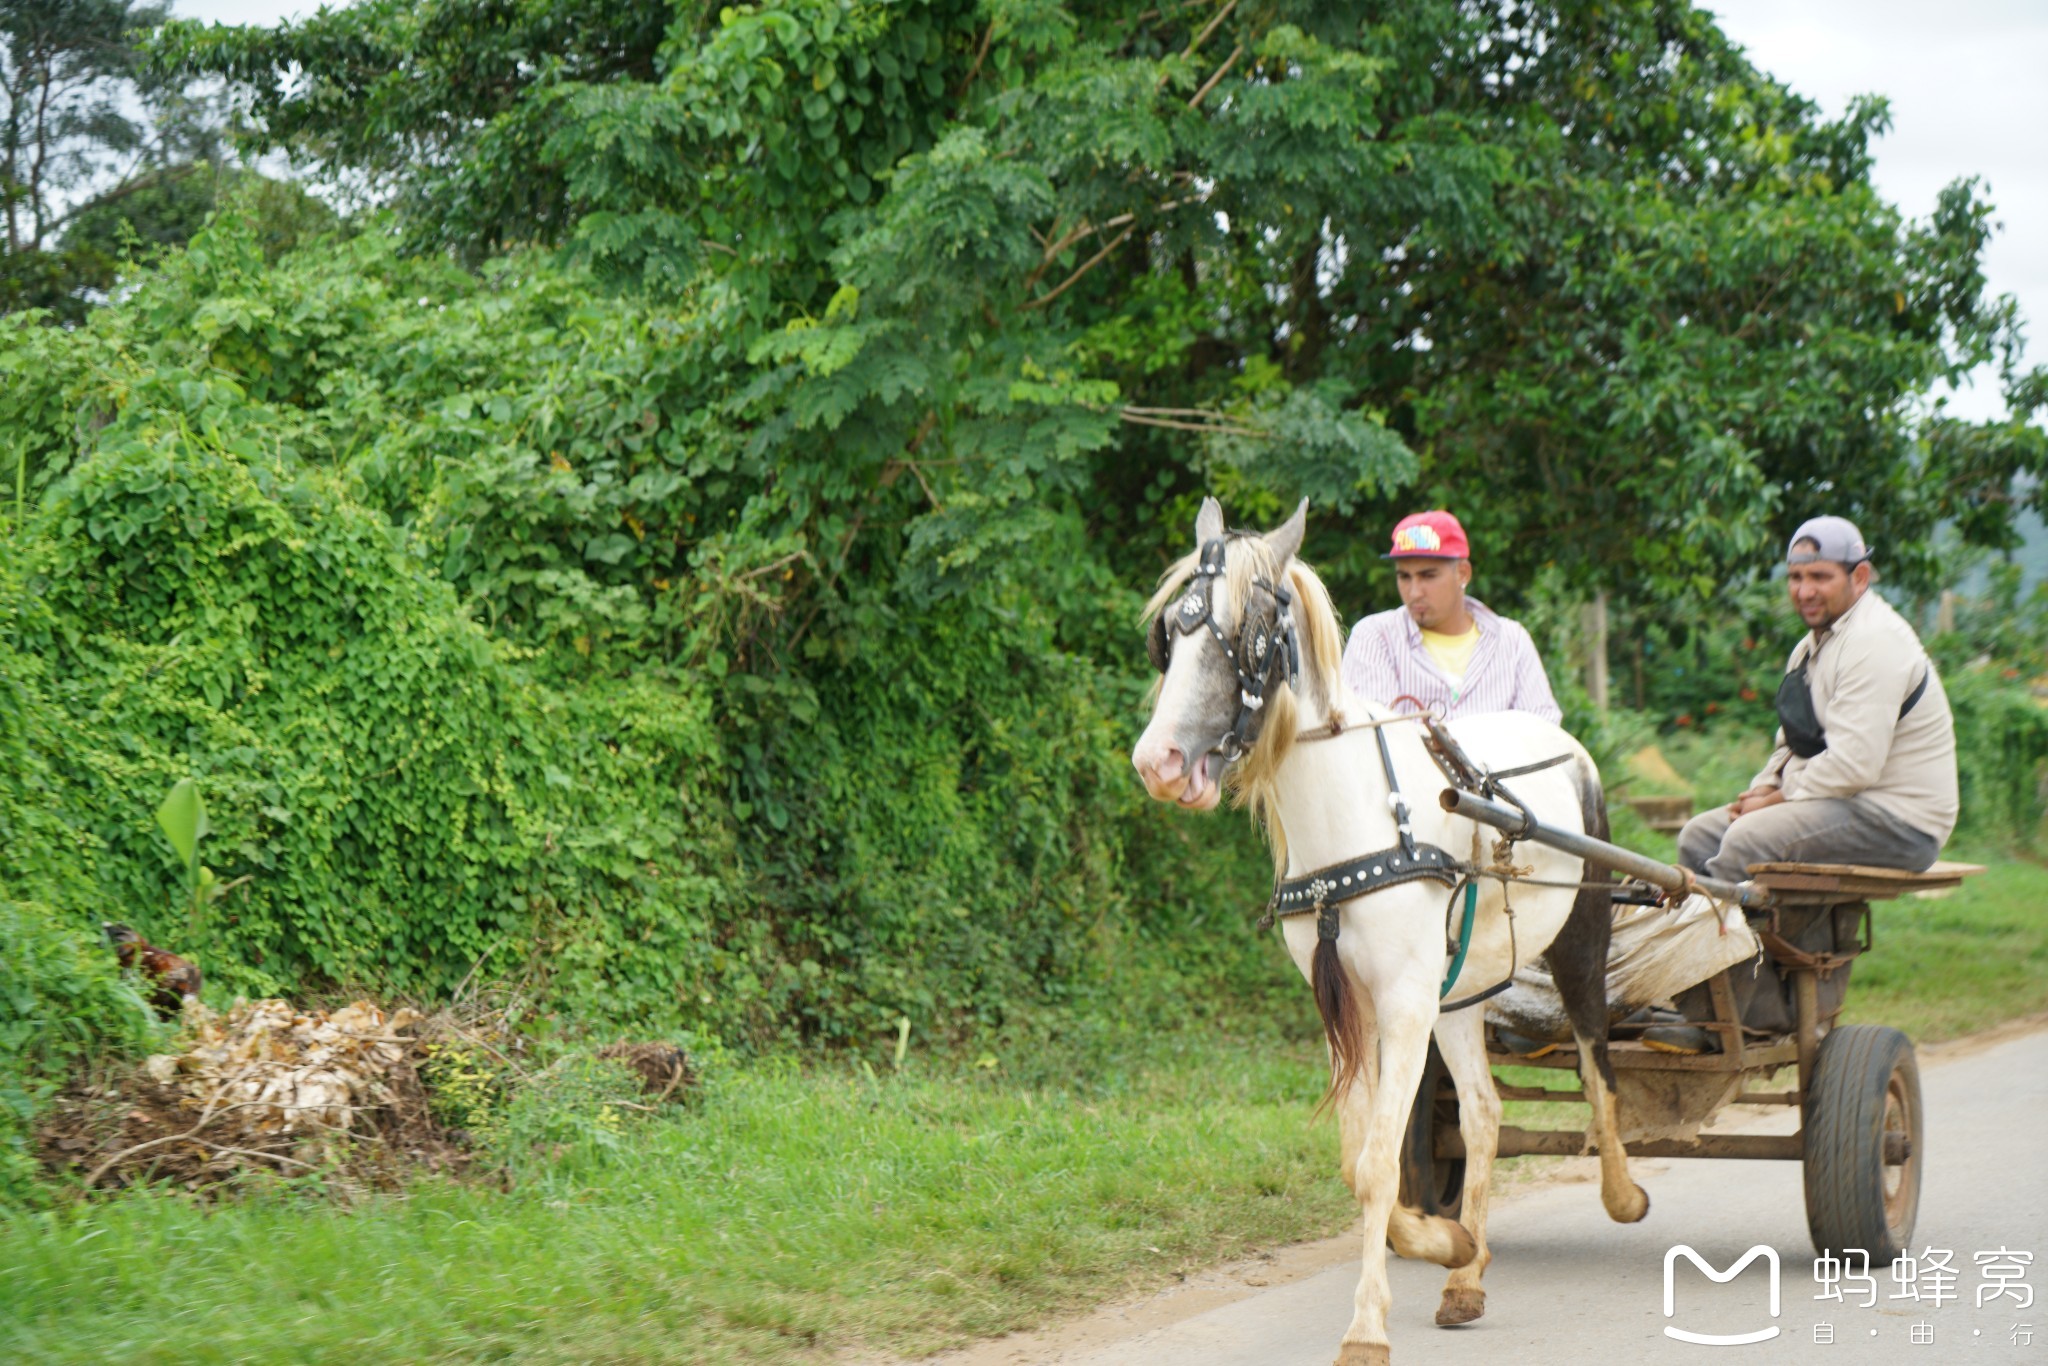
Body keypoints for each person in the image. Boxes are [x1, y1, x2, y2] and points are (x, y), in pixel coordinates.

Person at [1649, 515, 1959, 1054]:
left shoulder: (1875, 643)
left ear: (1859, 578)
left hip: (1898, 821)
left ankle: (1716, 1015)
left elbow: (1856, 764)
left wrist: (1776, 801)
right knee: (1702, 836)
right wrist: (1756, 793)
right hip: (1843, 805)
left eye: (1820, 576)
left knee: (1747, 841)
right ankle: (1745, 1003)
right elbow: (1790, 743)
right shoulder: (1811, 648)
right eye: (1796, 578)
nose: (1804, 590)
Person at [1340, 510, 1563, 723]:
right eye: (1404, 577)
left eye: (1428, 575)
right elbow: (1374, 734)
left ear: (1463, 573)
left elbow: (1544, 731)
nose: (1415, 591)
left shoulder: (1511, 640)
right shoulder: (1375, 637)